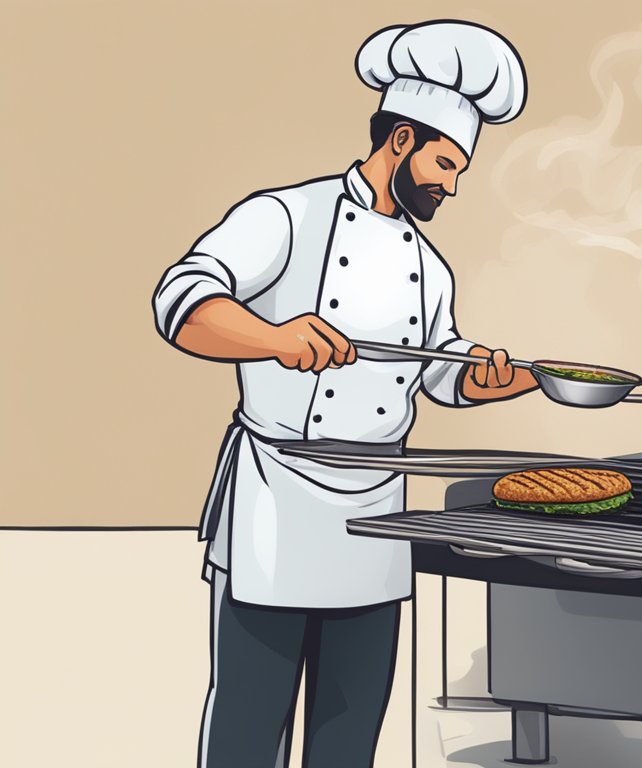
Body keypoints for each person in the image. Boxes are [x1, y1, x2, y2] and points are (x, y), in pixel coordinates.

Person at [150, 20, 536, 768]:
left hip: (373, 519)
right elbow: (181, 302)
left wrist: (489, 378)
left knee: (348, 737)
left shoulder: (430, 266)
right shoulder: (285, 216)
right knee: (248, 727)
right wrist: (274, 337)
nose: (450, 185)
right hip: (279, 509)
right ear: (400, 141)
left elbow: (435, 368)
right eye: (444, 163)